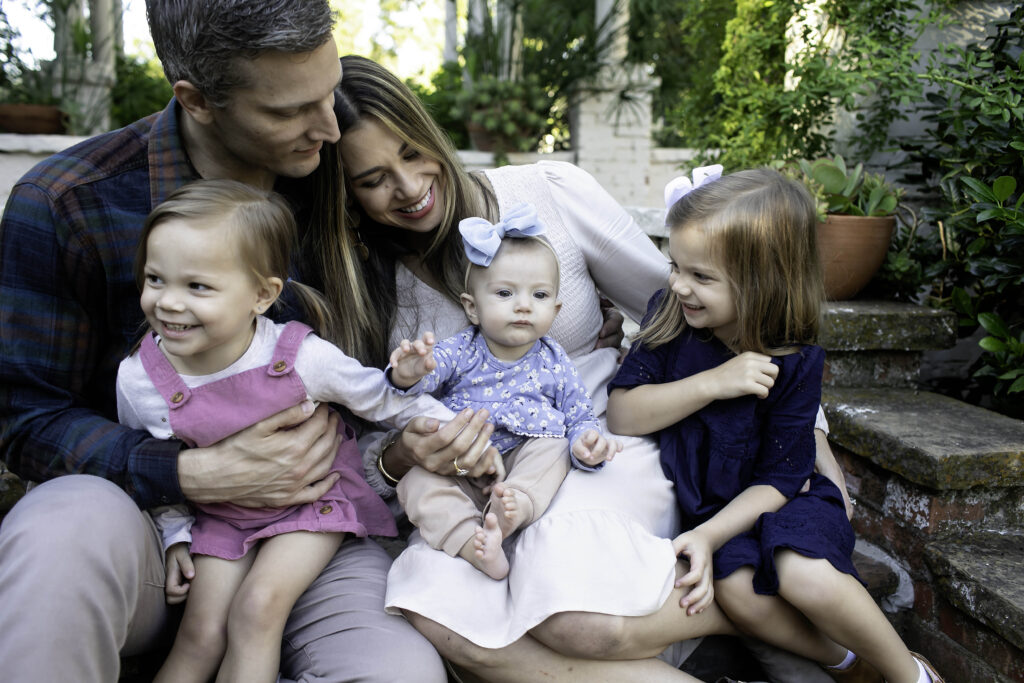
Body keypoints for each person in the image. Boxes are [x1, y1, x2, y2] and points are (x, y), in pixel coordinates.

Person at [305, 53, 850, 681]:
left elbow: (710, 309)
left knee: (568, 614)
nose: (406, 186)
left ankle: (753, 609)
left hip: (596, 444)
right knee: (429, 600)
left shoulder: (544, 194)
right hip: (471, 490)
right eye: (372, 178)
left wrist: (809, 438)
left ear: (431, 132)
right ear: (346, 194)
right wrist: (404, 453)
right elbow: (373, 445)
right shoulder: (363, 290)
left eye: (410, 151)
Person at [0, 4, 447, 681]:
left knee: (395, 671)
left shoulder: (342, 179)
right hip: (149, 528)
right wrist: (188, 473)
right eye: (291, 110)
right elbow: (26, 417)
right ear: (198, 100)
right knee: (58, 537)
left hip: (307, 532)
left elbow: (460, 231)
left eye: (328, 92)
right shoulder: (73, 203)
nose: (329, 126)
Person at [606, 167, 944, 683]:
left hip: (787, 499)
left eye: (700, 277)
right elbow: (623, 414)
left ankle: (911, 675)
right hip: (719, 512)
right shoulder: (671, 318)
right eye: (677, 266)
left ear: (762, 281)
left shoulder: (797, 360)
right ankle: (848, 663)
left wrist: (708, 534)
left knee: (801, 572)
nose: (678, 284)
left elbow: (783, 477)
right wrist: (715, 382)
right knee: (739, 591)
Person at [120, 179, 455, 682]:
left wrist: (444, 423)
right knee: (201, 633)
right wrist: (174, 534)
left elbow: (377, 397)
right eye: (155, 279)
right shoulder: (142, 378)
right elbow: (156, 459)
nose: (168, 303)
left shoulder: (300, 357)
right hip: (223, 517)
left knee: (257, 610)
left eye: (197, 286)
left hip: (310, 507)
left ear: (262, 294)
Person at [389, 206, 619, 580]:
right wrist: (409, 371)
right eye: (505, 292)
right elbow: (423, 381)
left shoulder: (554, 361)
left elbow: (578, 413)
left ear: (556, 309)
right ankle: (473, 545)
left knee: (554, 446)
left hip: (523, 459)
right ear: (472, 307)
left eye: (539, 295)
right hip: (461, 465)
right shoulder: (461, 349)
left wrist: (585, 442)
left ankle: (515, 508)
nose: (524, 304)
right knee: (416, 482)